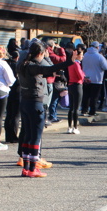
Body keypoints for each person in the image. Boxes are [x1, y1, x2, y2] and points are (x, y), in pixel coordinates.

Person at [17, 39, 69, 177]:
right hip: (36, 103)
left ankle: (26, 168)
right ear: (40, 53)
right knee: (36, 137)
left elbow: (45, 72)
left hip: (25, 102)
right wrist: (71, 61)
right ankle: (33, 168)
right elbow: (49, 69)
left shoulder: (22, 65)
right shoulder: (33, 66)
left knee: (27, 136)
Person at [80, 41, 107, 122]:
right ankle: (92, 111)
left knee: (86, 95)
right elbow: (106, 67)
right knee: (94, 96)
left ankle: (84, 110)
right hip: (97, 79)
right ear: (97, 47)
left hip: (86, 78)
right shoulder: (99, 56)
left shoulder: (85, 55)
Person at [66, 45, 85, 134]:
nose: (82, 56)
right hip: (77, 85)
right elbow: (80, 76)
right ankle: (75, 127)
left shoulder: (70, 64)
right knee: (76, 108)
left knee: (71, 107)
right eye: (81, 55)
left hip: (70, 85)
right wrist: (84, 75)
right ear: (77, 55)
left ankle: (69, 127)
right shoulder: (77, 64)